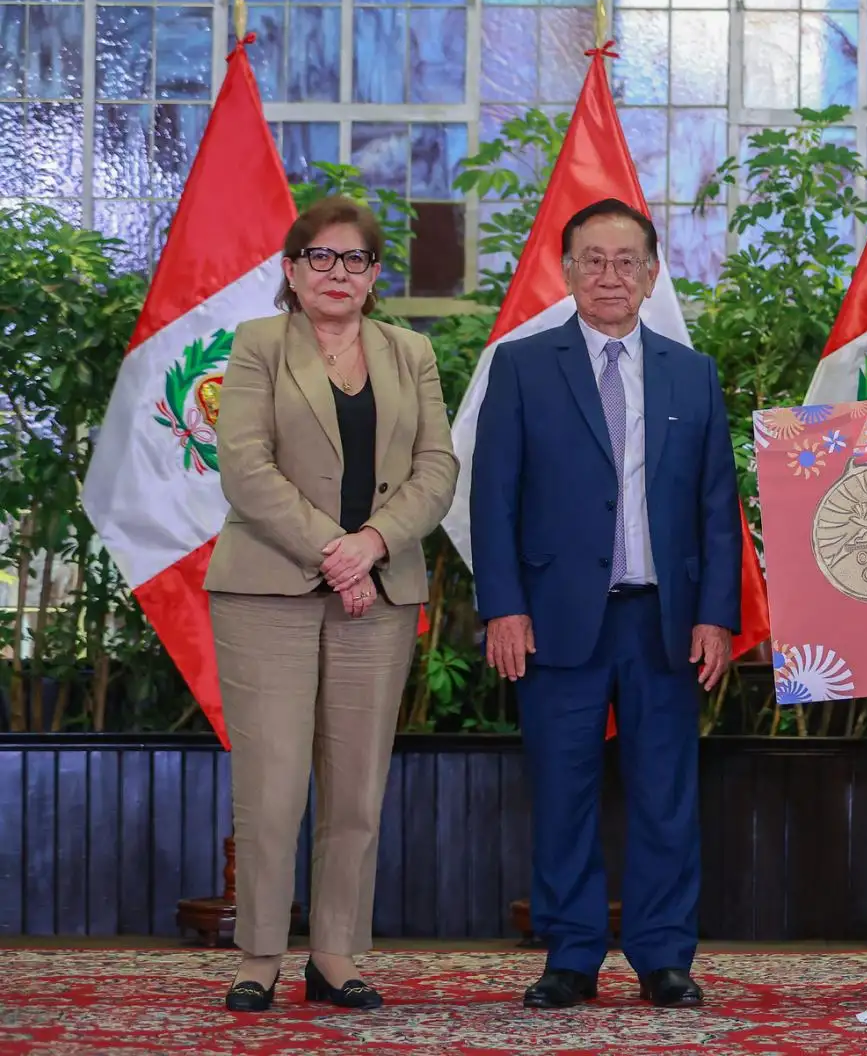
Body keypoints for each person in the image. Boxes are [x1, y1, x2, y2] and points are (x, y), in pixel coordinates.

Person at [470, 198, 740, 1010]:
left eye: (627, 260)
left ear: (653, 273)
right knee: (562, 788)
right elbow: (493, 499)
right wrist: (503, 607)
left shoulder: (692, 373)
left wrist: (716, 615)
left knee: (666, 793)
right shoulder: (520, 366)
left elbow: (714, 505)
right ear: (568, 270)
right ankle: (572, 953)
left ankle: (664, 955)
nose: (611, 276)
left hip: (664, 617)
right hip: (554, 618)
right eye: (593, 259)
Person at [207, 196, 458, 1011]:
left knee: (356, 790)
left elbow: (436, 468)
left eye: (355, 261)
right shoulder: (256, 347)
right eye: (321, 258)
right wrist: (332, 549)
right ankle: (259, 958)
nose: (338, 273)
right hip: (268, 592)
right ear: (291, 269)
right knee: (274, 784)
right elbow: (245, 469)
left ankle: (336, 956)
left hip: (379, 594)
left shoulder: (410, 353)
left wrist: (372, 545)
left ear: (375, 276)